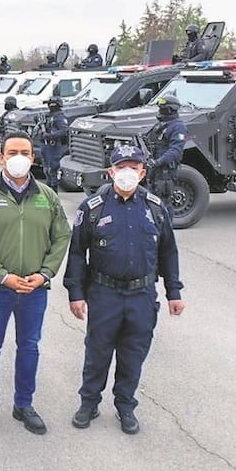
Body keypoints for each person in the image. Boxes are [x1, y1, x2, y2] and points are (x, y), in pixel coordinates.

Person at [64, 145, 185, 434]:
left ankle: (125, 406)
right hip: (104, 294)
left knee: (133, 354)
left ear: (143, 173)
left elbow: (168, 252)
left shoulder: (155, 207)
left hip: (141, 296)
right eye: (121, 167)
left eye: (133, 167)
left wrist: (174, 292)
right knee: (97, 353)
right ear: (111, 171)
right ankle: (89, 403)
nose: (127, 173)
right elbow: (78, 253)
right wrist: (75, 293)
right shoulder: (92, 208)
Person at [0, 131, 71, 436]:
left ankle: (24, 404)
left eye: (25, 152)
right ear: (1, 157)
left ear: (33, 157)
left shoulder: (47, 196)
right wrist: (2, 275)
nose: (19, 157)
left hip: (34, 289)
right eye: (13, 152)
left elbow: (62, 235)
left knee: (29, 346)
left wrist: (46, 273)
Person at [144, 96, 187, 205]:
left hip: (165, 172)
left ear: (170, 110)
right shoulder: (160, 125)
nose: (160, 111)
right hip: (154, 170)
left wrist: (158, 162)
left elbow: (175, 151)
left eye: (162, 109)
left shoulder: (178, 127)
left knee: (163, 203)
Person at [39, 97, 68, 192]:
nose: (51, 106)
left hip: (53, 146)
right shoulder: (47, 116)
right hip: (44, 145)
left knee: (53, 169)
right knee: (46, 169)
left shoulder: (59, 117)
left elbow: (63, 131)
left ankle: (53, 190)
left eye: (53, 104)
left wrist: (51, 135)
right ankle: (48, 189)